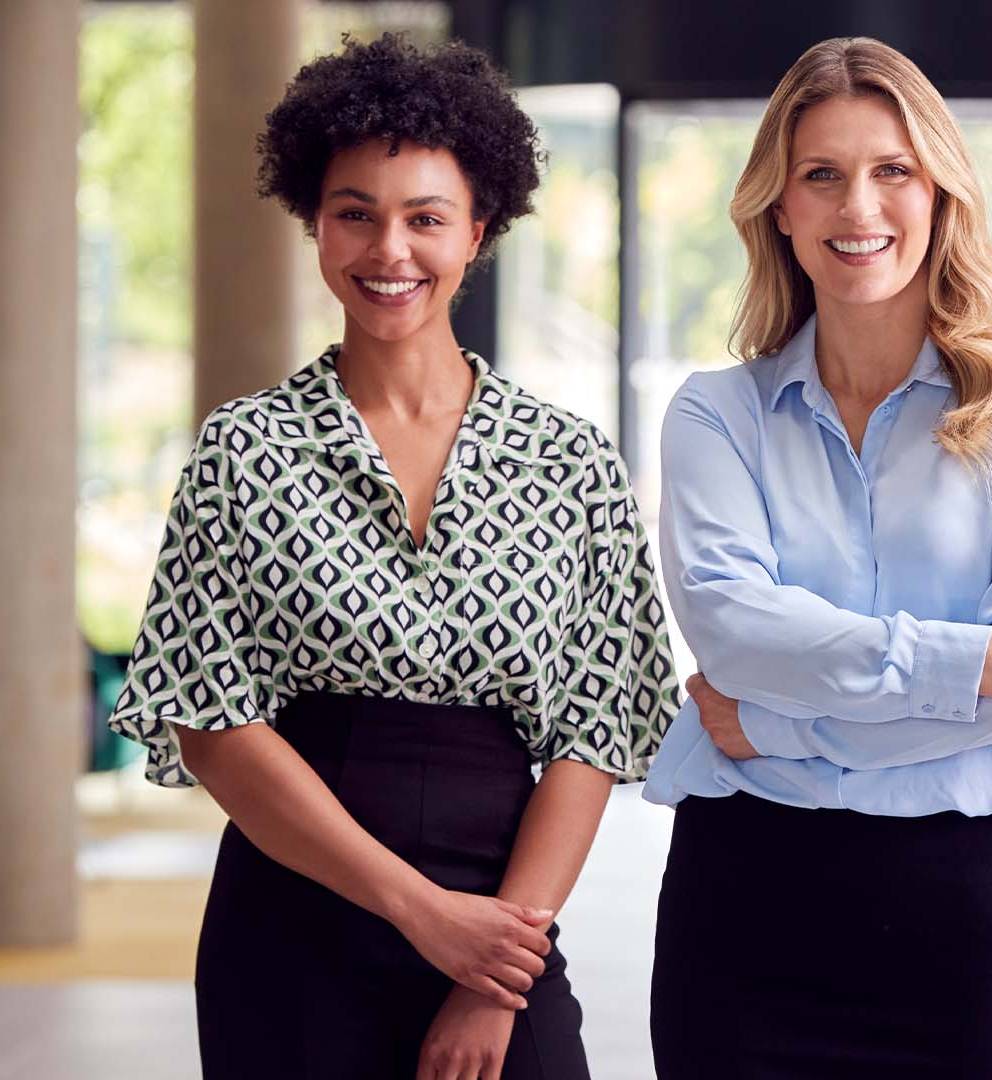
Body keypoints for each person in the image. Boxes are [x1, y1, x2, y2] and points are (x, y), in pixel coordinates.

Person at [108, 34, 678, 1080]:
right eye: (354, 213)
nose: (389, 251)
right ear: (315, 223)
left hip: (503, 922)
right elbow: (212, 721)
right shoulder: (245, 450)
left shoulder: (569, 460)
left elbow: (597, 730)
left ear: (480, 232)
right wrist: (421, 913)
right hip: (291, 929)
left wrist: (489, 966)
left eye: (426, 218)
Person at [641, 36, 992, 1080]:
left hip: (969, 909)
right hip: (747, 902)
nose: (860, 208)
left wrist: (766, 721)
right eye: (823, 176)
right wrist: (979, 663)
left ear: (941, 192)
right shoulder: (715, 414)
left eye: (892, 171)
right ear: (780, 207)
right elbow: (730, 626)